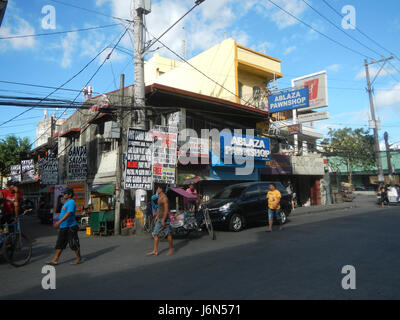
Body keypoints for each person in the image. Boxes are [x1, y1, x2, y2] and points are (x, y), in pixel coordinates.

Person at [46, 187, 82, 265]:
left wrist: (59, 222)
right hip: (63, 227)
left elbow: (69, 213)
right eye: (63, 193)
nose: (63, 195)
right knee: (60, 243)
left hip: (70, 227)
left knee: (73, 243)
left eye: (65, 193)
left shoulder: (71, 202)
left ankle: (78, 258)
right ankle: (55, 259)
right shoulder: (66, 203)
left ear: (70, 195)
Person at [147, 184, 173, 256]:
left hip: (165, 219)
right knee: (155, 233)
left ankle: (171, 248)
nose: (157, 189)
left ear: (161, 189)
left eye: (158, 188)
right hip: (159, 218)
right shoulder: (159, 197)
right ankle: (155, 250)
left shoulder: (165, 198)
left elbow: (166, 210)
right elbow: (159, 209)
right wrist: (157, 216)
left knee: (168, 234)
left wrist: (163, 220)